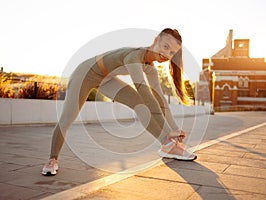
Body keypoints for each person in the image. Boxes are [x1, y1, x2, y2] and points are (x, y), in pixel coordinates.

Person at [42, 28, 197, 176]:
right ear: (156, 40)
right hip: (84, 75)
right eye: (165, 46)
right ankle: (52, 159)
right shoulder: (133, 58)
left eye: (172, 52)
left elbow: (160, 100)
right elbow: (146, 94)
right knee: (66, 120)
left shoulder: (150, 69)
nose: (167, 54)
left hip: (106, 79)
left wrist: (175, 130)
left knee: (140, 104)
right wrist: (168, 129)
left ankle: (167, 145)